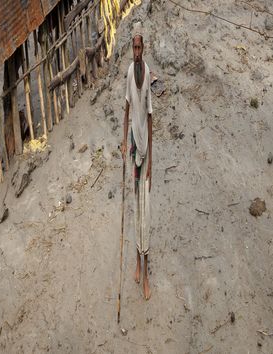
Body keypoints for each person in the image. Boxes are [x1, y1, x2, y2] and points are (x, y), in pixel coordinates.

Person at [121, 26, 153, 300]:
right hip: (133, 149)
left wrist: (151, 161)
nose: (137, 52)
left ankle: (146, 273)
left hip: (145, 151)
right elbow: (127, 108)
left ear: (145, 49)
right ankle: (136, 264)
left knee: (146, 215)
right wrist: (123, 140)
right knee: (135, 209)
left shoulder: (147, 71)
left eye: (140, 48)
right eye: (134, 48)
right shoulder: (130, 72)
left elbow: (150, 118)